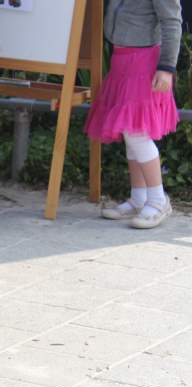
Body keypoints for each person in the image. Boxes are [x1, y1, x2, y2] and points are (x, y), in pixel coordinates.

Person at [86, 0, 182, 229]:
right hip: (122, 60)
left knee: (136, 133)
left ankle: (159, 201)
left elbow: (172, 22)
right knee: (131, 134)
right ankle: (139, 197)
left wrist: (167, 68)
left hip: (144, 63)